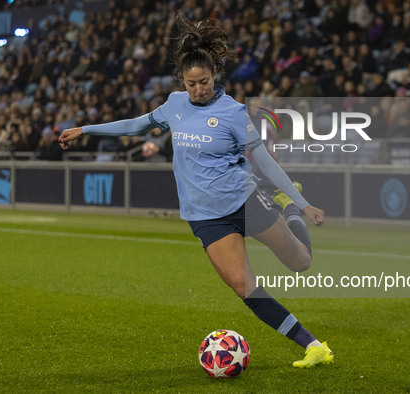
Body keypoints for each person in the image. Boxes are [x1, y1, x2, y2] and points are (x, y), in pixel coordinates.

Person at [58, 11, 333, 369]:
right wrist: (86, 129)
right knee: (243, 287)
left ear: (215, 74)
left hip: (244, 201)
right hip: (205, 217)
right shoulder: (174, 105)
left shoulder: (233, 112)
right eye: (191, 84)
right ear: (182, 81)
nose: (198, 89)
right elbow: (137, 125)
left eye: (204, 81)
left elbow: (263, 162)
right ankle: (313, 346)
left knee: (301, 262)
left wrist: (303, 204)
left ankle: (289, 208)